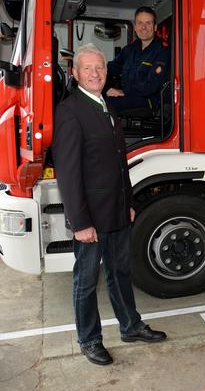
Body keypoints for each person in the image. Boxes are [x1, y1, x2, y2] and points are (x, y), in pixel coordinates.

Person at [52, 44, 166, 366]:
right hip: (92, 219)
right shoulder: (70, 110)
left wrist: (128, 204)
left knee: (120, 272)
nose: (94, 73)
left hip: (117, 210)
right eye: (87, 68)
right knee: (86, 281)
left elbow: (120, 164)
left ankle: (130, 326)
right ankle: (89, 340)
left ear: (106, 72)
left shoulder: (107, 107)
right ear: (75, 75)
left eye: (99, 68)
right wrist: (80, 222)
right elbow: (69, 173)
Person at [106, 6, 170, 114]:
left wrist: (123, 92)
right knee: (98, 99)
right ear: (135, 27)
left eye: (148, 23)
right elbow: (113, 67)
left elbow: (152, 85)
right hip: (129, 97)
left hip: (148, 101)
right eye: (140, 23)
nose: (143, 27)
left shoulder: (162, 51)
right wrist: (95, 69)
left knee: (109, 104)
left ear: (155, 27)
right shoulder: (130, 49)